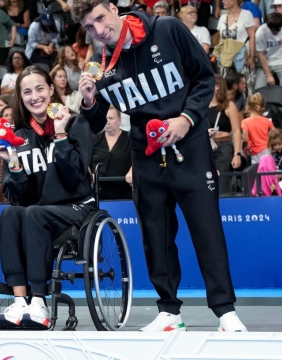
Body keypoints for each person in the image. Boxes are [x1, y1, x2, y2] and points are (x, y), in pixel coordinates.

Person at [72, 0, 248, 332]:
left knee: (207, 231)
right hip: (145, 156)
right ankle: (169, 311)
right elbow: (97, 122)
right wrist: (88, 101)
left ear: (113, 8)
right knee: (155, 235)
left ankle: (226, 312)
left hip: (190, 145)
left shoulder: (166, 29)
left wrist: (187, 118)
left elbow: (203, 77)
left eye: (99, 17)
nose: (98, 29)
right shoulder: (99, 63)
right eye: (89, 26)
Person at [0, 65, 105, 329]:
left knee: (33, 214)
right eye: (27, 91)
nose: (35, 96)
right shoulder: (19, 136)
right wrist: (15, 167)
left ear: (52, 89)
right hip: (38, 212)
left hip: (75, 206)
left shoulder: (76, 123)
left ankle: (39, 301)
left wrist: (62, 134)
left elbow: (76, 176)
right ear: (20, 97)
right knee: (8, 215)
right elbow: (19, 198)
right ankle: (21, 302)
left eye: (40, 88)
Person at [209, 75, 242, 194]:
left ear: (217, 87)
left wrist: (237, 154)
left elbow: (236, 131)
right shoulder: (202, 106)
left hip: (223, 148)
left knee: (222, 183)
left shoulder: (229, 105)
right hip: (206, 147)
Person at [91, 106, 132, 200]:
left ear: (119, 120)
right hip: (98, 192)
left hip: (124, 192)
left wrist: (133, 170)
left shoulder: (130, 139)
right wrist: (89, 173)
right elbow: (85, 160)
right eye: (105, 119)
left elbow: (139, 157)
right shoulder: (94, 139)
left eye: (111, 118)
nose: (107, 122)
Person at [255, 12, 282, 90]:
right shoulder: (260, 32)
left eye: (277, 29)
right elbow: (261, 54)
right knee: (258, 88)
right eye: (272, 29)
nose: (274, 32)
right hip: (266, 61)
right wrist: (268, 75)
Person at [218, 0, 257, 73]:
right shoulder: (222, 17)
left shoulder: (246, 15)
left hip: (242, 56)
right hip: (226, 57)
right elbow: (221, 38)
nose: (223, 1)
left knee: (242, 82)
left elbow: (252, 37)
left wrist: (252, 57)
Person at [243, 93, 274, 164]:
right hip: (267, 150)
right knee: (268, 172)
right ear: (263, 107)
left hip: (255, 153)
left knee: (256, 172)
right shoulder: (266, 120)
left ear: (248, 107)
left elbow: (245, 139)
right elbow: (275, 133)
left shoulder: (245, 122)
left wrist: (243, 146)